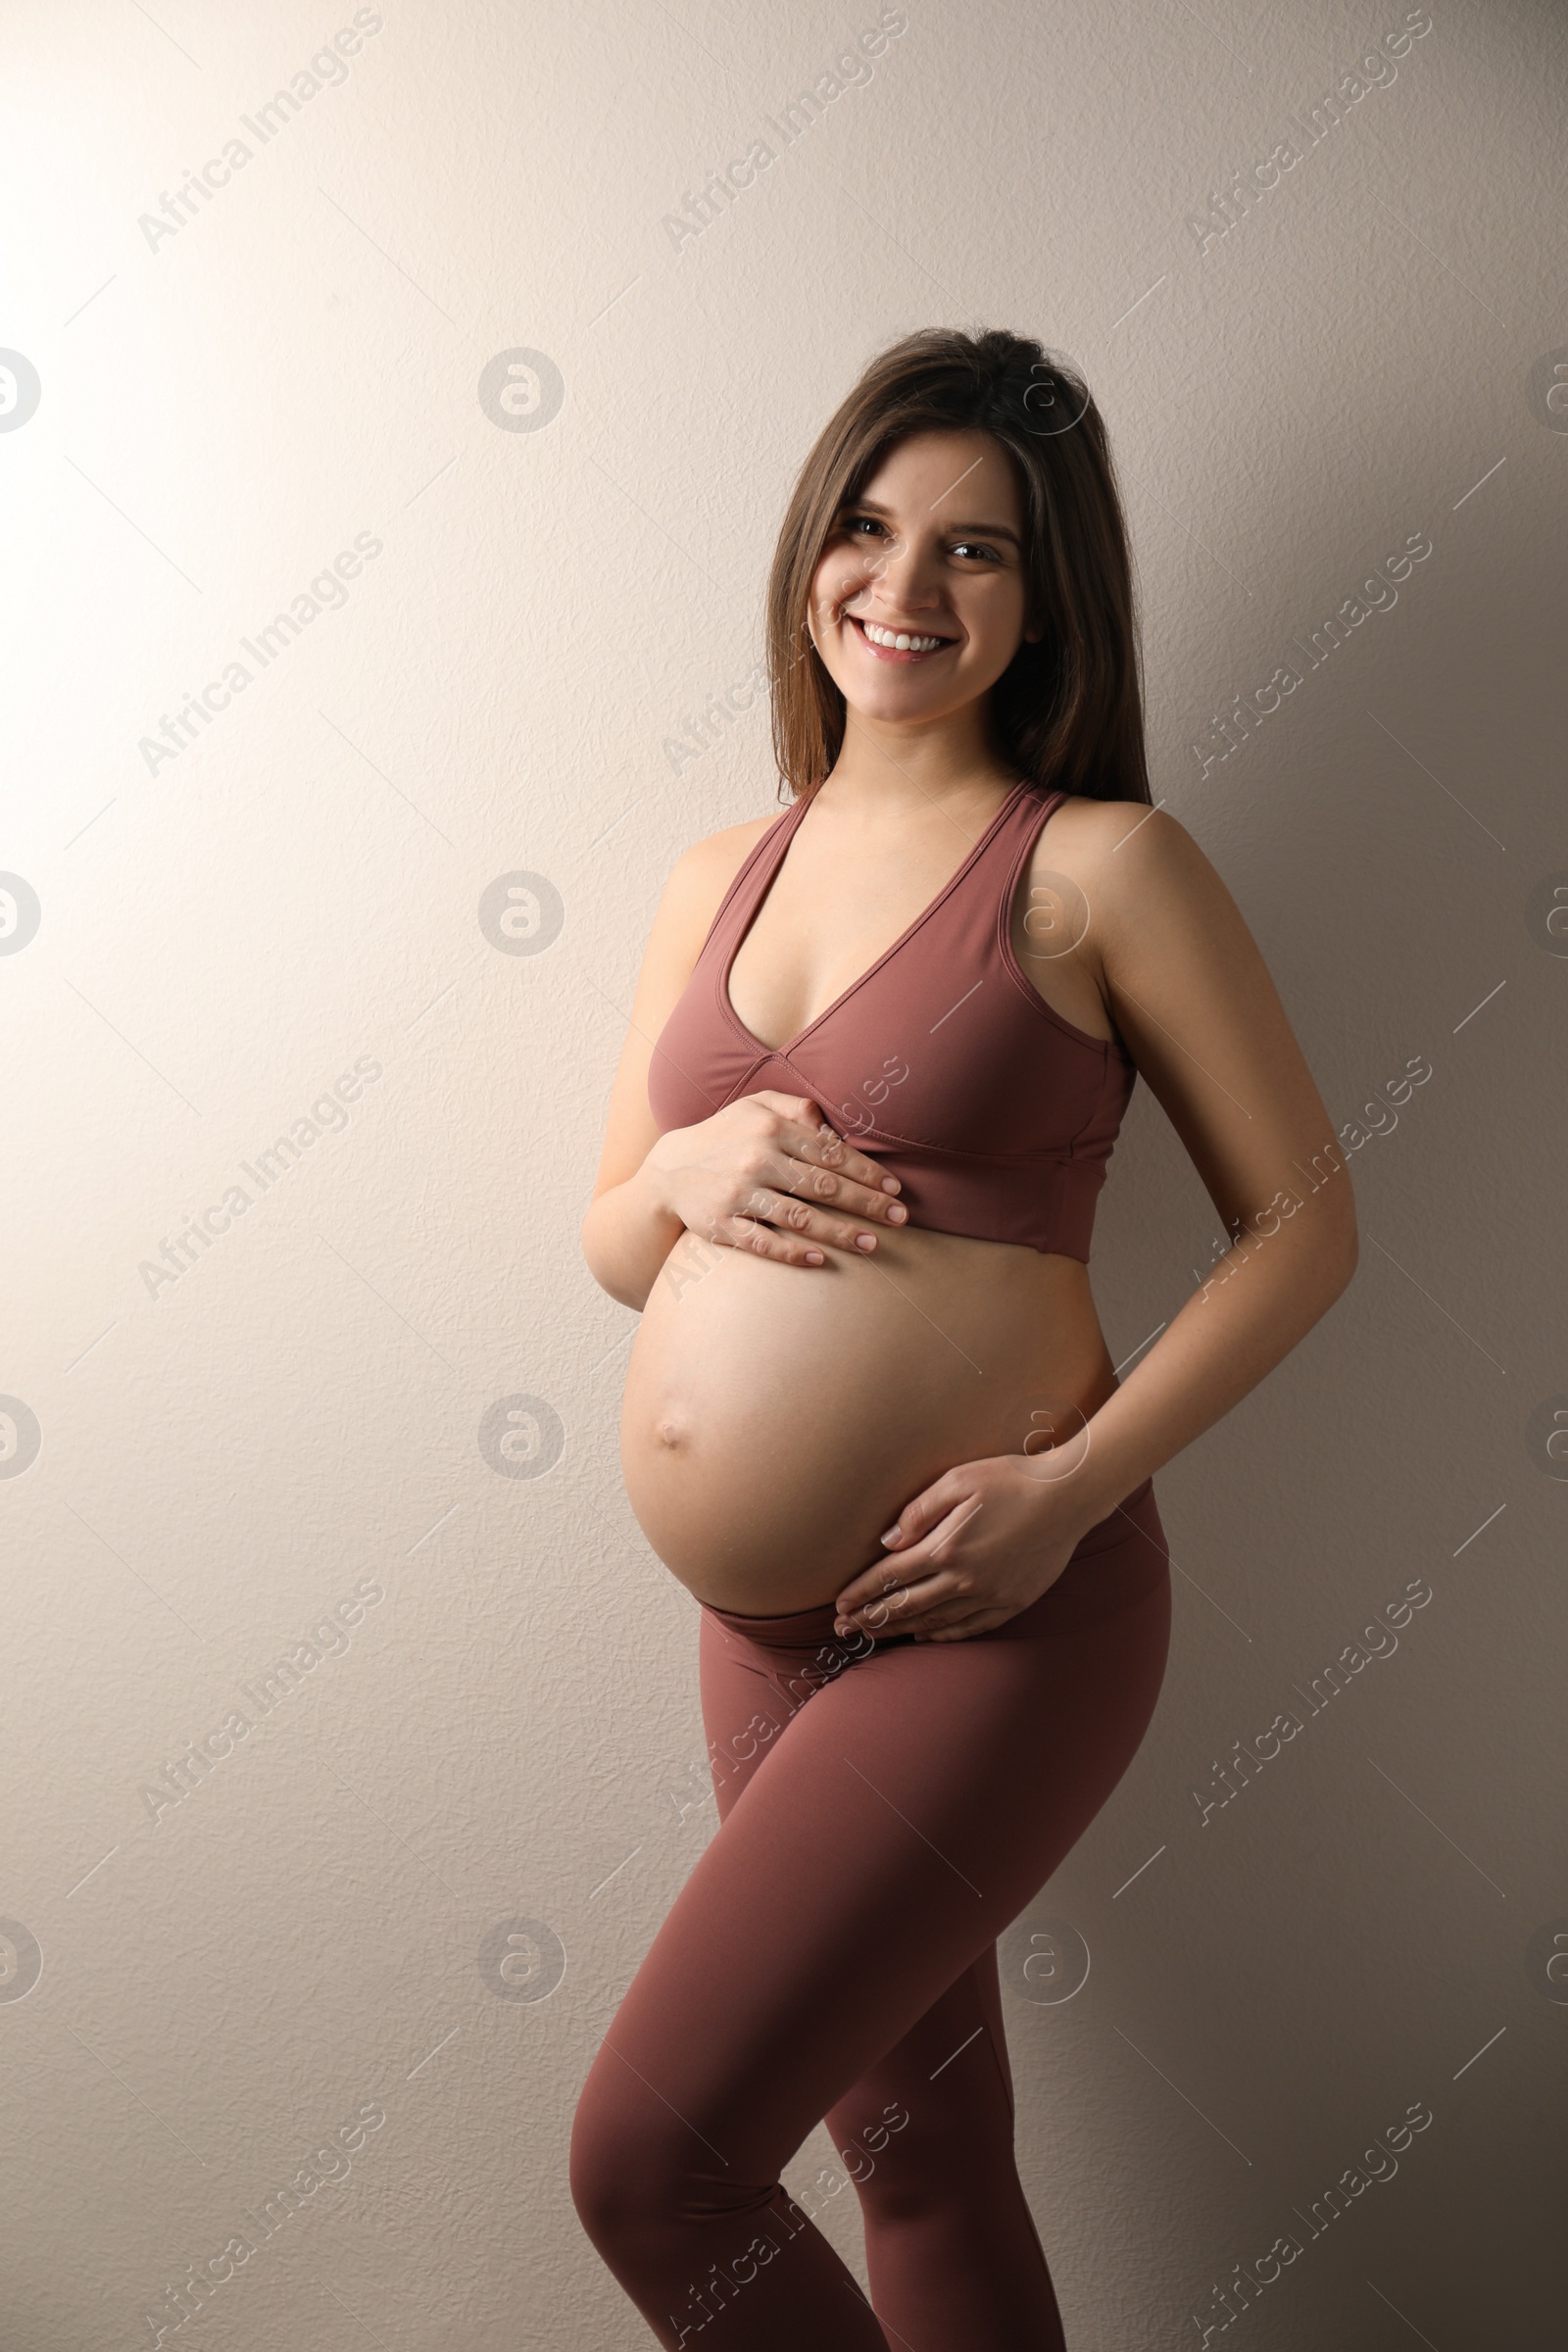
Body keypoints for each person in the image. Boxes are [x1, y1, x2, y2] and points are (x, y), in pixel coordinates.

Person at [571, 327, 1357, 2349]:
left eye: (975, 551)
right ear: (806, 551)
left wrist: (1066, 1492)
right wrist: (678, 1174)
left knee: (653, 2165)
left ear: (1046, 597)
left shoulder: (1098, 868)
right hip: (760, 1635)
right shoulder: (708, 874)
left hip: (1005, 1607)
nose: (902, 591)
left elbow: (1303, 1225)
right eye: (866, 527)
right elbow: (608, 1236)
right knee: (915, 2157)